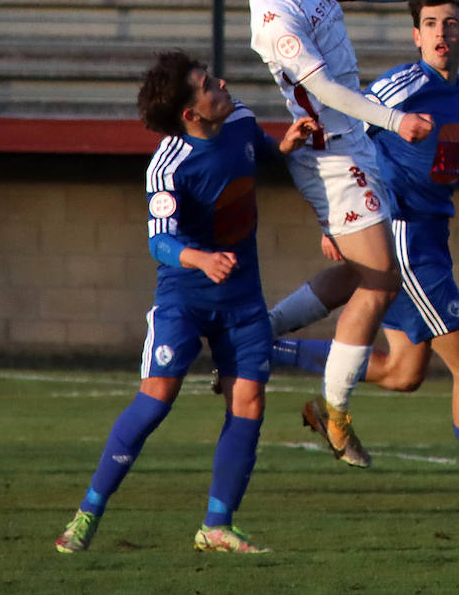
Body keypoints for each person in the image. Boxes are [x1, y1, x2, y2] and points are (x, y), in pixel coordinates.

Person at [201, 0, 459, 470]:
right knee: (379, 281)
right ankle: (334, 415)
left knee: (360, 275)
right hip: (331, 153)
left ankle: (250, 338)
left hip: (354, 145)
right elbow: (325, 89)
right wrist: (395, 119)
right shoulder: (272, 17)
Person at [271, 0, 459, 539]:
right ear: (416, 36)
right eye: (430, 24)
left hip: (432, 237)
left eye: (451, 24)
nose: (441, 33)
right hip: (402, 237)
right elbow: (340, 135)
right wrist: (338, 216)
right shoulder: (398, 89)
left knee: (404, 374)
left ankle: (263, 351)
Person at [52, 50, 316, 556]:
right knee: (156, 399)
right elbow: (159, 240)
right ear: (191, 113)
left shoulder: (239, 118)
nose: (222, 83)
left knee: (249, 401)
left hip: (242, 296)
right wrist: (202, 259)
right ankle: (87, 513)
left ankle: (217, 525)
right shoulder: (168, 166)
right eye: (208, 84)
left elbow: (257, 151)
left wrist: (284, 144)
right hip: (186, 297)